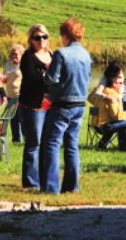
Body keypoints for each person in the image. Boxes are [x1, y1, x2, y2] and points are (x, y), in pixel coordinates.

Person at [42, 18, 92, 194]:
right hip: (79, 104)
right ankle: (71, 186)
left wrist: (46, 71)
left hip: (62, 104)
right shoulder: (86, 55)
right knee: (71, 145)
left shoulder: (61, 53)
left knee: (52, 143)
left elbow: (51, 79)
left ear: (65, 35)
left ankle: (51, 187)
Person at [18, 24, 52, 189]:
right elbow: (33, 79)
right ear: (31, 39)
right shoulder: (28, 57)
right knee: (34, 143)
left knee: (47, 143)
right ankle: (31, 182)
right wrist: (50, 80)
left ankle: (45, 179)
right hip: (33, 105)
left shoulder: (52, 55)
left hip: (51, 105)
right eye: (37, 37)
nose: (41, 40)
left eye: (44, 37)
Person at [88, 71, 126, 151]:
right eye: (121, 83)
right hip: (105, 127)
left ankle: (102, 144)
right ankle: (125, 147)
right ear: (114, 83)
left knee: (122, 121)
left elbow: (90, 98)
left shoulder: (101, 91)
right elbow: (116, 116)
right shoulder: (113, 94)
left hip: (95, 125)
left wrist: (99, 87)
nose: (123, 85)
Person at [3, 44, 24, 142]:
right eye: (13, 54)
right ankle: (16, 140)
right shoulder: (8, 64)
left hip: (20, 95)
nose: (14, 56)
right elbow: (5, 78)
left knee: (21, 118)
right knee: (13, 118)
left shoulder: (24, 65)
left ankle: (26, 139)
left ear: (21, 54)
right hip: (10, 95)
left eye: (16, 54)